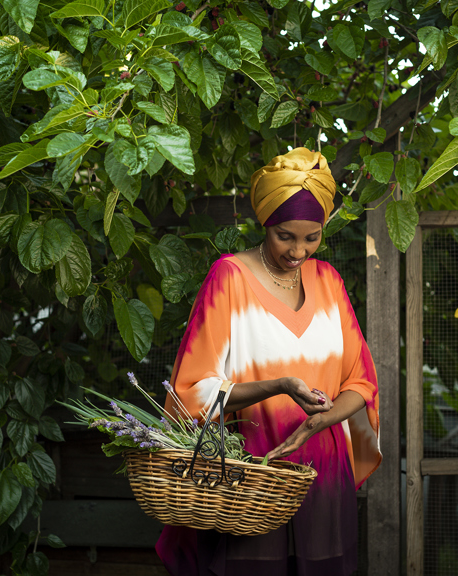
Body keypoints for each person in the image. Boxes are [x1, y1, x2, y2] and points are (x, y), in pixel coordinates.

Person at [155, 147, 381, 576]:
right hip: (253, 470)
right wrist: (279, 385)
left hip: (323, 471)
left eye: (311, 237)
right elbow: (191, 393)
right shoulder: (230, 278)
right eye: (285, 236)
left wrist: (319, 420)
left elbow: (361, 383)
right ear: (265, 224)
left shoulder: (329, 282)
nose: (298, 250)